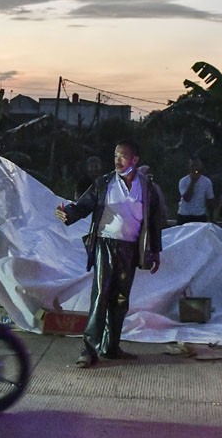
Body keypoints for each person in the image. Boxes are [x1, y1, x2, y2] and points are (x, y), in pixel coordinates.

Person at [55, 140, 164, 368]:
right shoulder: (104, 183)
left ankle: (111, 347)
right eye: (115, 155)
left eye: (122, 156)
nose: (117, 160)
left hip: (130, 249)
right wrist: (68, 214)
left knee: (121, 300)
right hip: (105, 245)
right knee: (100, 296)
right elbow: (83, 206)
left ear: (135, 160)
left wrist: (155, 251)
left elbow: (154, 221)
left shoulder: (147, 187)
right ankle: (89, 350)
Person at [176, 156, 215, 225]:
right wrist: (193, 182)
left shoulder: (207, 182)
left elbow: (210, 201)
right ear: (189, 167)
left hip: (199, 216)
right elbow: (187, 198)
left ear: (201, 166)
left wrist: (211, 219)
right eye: (192, 166)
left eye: (196, 165)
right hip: (184, 216)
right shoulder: (183, 181)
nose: (194, 168)